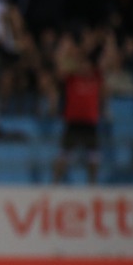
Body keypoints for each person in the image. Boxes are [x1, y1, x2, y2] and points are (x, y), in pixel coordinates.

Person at [52, 41, 103, 184]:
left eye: (87, 64)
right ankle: (54, 185)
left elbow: (108, 61)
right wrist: (66, 48)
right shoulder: (71, 79)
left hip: (90, 122)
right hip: (73, 121)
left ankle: (92, 185)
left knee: (93, 156)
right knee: (63, 155)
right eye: (82, 64)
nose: (84, 67)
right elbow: (59, 65)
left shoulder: (96, 78)